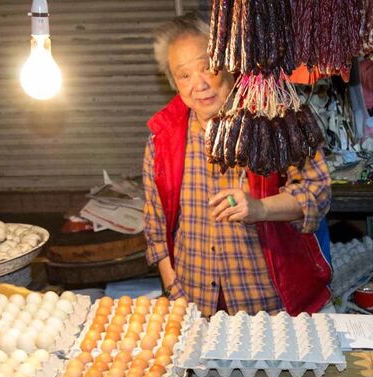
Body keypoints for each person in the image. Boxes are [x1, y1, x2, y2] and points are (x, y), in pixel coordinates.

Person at [143, 12, 333, 317]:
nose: (199, 84)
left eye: (208, 67)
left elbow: (317, 191)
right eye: (184, 75)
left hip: (270, 307)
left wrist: (260, 209)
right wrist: (174, 290)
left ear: (230, 62)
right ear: (173, 83)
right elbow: (156, 228)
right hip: (194, 305)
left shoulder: (275, 118)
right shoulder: (162, 140)